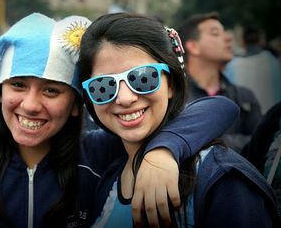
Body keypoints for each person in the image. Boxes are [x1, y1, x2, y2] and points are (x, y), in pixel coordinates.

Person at [0, 13, 239, 227]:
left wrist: (164, 149)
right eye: (18, 85)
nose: (31, 104)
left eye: (51, 90)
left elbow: (219, 108)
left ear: (78, 104)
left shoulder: (100, 154)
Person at [79, 12, 280, 227]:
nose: (125, 98)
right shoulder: (108, 173)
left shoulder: (220, 179)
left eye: (143, 78)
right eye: (103, 86)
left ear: (171, 85)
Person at [176, 12, 262, 154]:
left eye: (225, 32)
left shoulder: (244, 98)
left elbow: (261, 143)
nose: (229, 38)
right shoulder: (175, 95)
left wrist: (207, 141)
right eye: (215, 33)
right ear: (193, 46)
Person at [225, 26, 281, 113]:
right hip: (271, 116)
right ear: (261, 41)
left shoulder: (232, 65)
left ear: (242, 42)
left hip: (246, 117)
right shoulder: (272, 61)